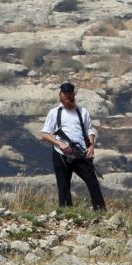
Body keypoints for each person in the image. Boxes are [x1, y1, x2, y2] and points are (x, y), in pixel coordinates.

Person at [41, 82, 106, 210]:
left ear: (73, 94)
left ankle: (100, 210)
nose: (66, 96)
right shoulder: (54, 113)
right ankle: (66, 211)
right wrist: (60, 143)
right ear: (60, 95)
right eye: (64, 94)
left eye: (69, 93)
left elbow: (90, 130)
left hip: (80, 152)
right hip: (61, 153)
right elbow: (45, 133)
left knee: (92, 181)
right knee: (63, 184)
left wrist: (91, 146)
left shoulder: (82, 111)